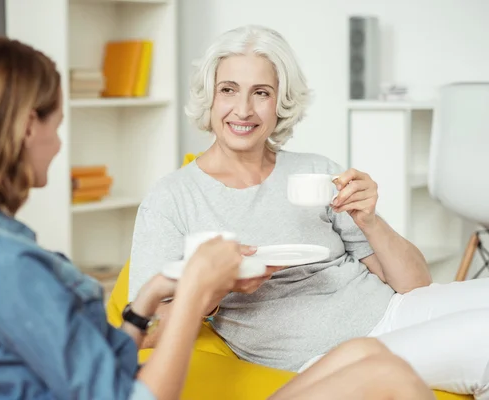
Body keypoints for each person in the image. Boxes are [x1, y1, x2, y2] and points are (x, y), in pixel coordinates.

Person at [0, 36, 435, 400]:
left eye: (261, 92)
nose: (58, 143)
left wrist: (145, 301)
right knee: (392, 382)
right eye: (57, 124)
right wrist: (194, 296)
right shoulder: (5, 266)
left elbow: (85, 364)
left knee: (372, 356)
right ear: (28, 127)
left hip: (365, 318)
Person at [128, 24, 489, 399]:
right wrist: (215, 287)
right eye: (228, 90)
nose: (244, 109)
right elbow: (146, 329)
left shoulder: (316, 170)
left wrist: (370, 220)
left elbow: (415, 286)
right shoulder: (172, 198)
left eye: (261, 93)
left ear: (280, 101)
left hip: (397, 313)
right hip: (322, 356)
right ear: (210, 96)